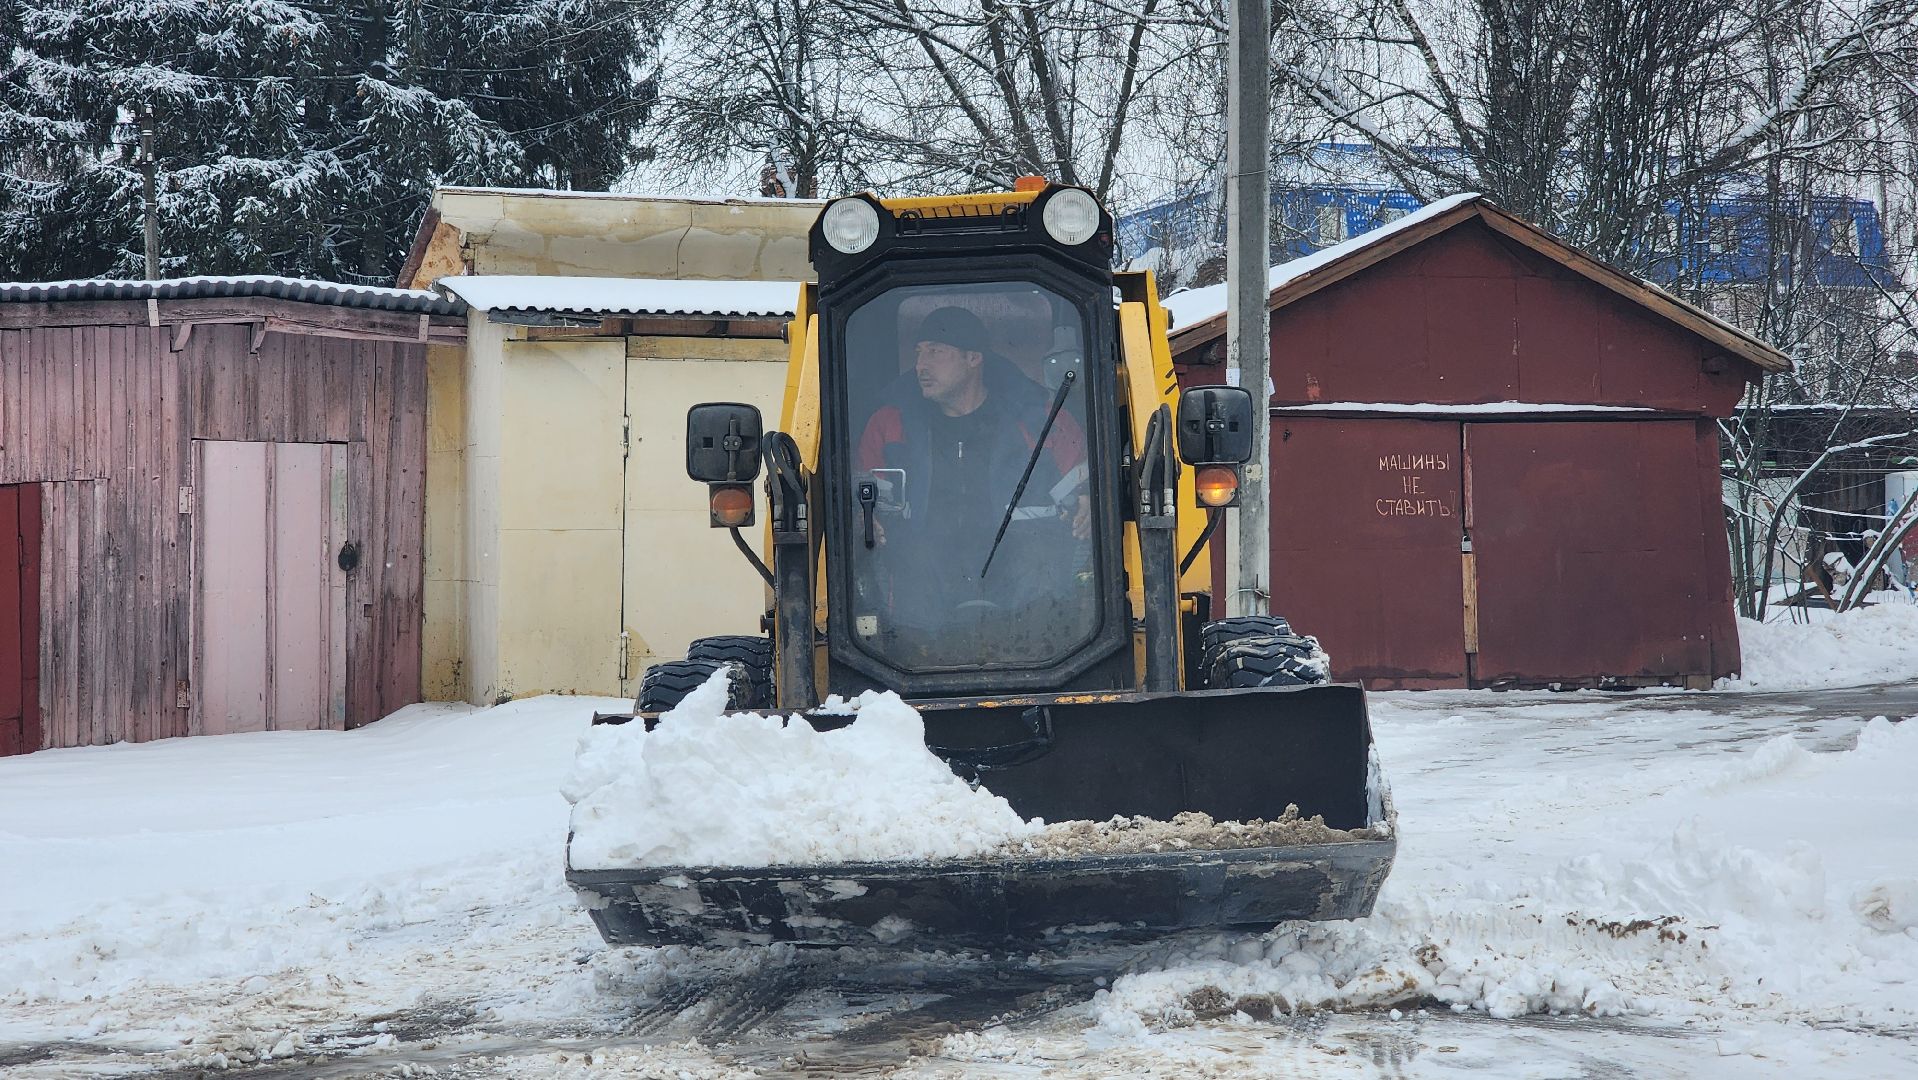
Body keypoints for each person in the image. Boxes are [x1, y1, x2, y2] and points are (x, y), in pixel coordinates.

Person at [853, 305, 1093, 662]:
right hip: (915, 610)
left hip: (1031, 613)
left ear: (974, 358)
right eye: (919, 352)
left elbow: (1086, 483)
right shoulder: (890, 423)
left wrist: (1089, 501)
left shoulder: (1039, 419)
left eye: (936, 351)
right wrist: (862, 516)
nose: (921, 365)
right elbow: (861, 493)